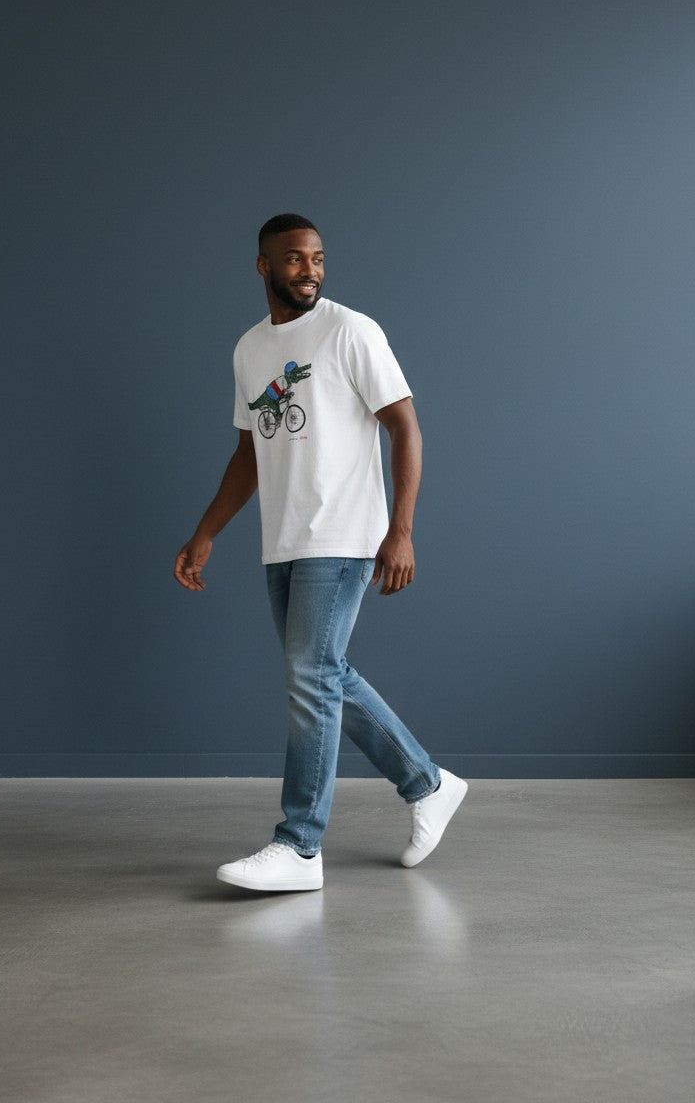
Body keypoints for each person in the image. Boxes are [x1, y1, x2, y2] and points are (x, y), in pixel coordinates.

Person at [173, 213, 467, 892]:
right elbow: (249, 454)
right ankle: (428, 784)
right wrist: (206, 531)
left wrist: (402, 529)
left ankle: (300, 845)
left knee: (309, 675)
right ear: (263, 267)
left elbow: (406, 427)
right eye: (296, 259)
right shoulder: (250, 349)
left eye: (318, 258)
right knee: (323, 674)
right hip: (284, 539)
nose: (311, 270)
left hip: (345, 533)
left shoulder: (350, 330)